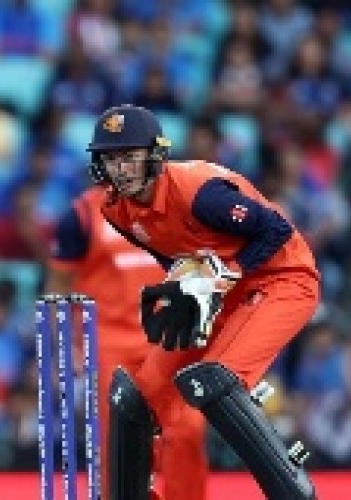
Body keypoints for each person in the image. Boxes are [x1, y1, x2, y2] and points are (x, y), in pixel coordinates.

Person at [86, 105, 319, 499]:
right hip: (221, 292)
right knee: (134, 399)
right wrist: (188, 283)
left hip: (282, 281)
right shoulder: (115, 210)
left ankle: (295, 493)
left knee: (215, 383)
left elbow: (276, 229)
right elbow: (172, 252)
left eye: (130, 157)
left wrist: (225, 274)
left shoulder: (201, 194)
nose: (120, 169)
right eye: (111, 159)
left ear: (155, 156)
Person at [46, 184, 208, 500]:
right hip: (108, 342)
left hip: (169, 339)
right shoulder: (82, 215)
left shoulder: (177, 206)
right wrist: (64, 347)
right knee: (118, 441)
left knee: (187, 430)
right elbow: (58, 287)